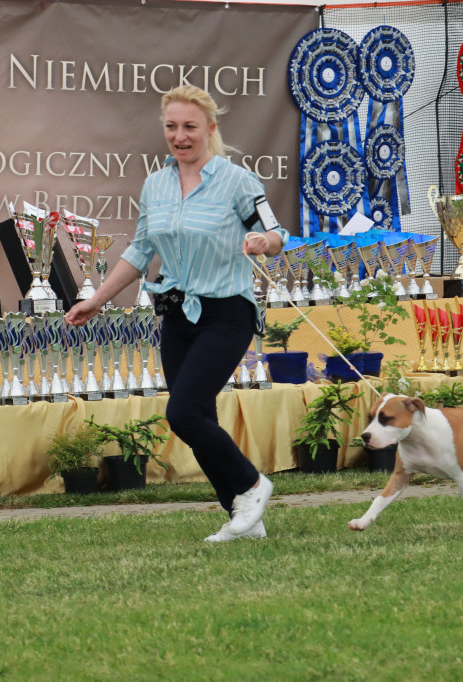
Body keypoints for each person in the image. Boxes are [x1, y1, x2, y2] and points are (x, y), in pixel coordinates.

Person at [65, 85, 288, 542]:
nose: (180, 136)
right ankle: (244, 520)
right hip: (177, 316)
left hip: (228, 312)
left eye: (189, 127)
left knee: (183, 413)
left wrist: (264, 243)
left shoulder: (237, 181)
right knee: (200, 416)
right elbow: (142, 248)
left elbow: (277, 232)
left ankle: (251, 484)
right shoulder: (156, 184)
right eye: (171, 127)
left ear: (210, 128)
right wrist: (97, 299)